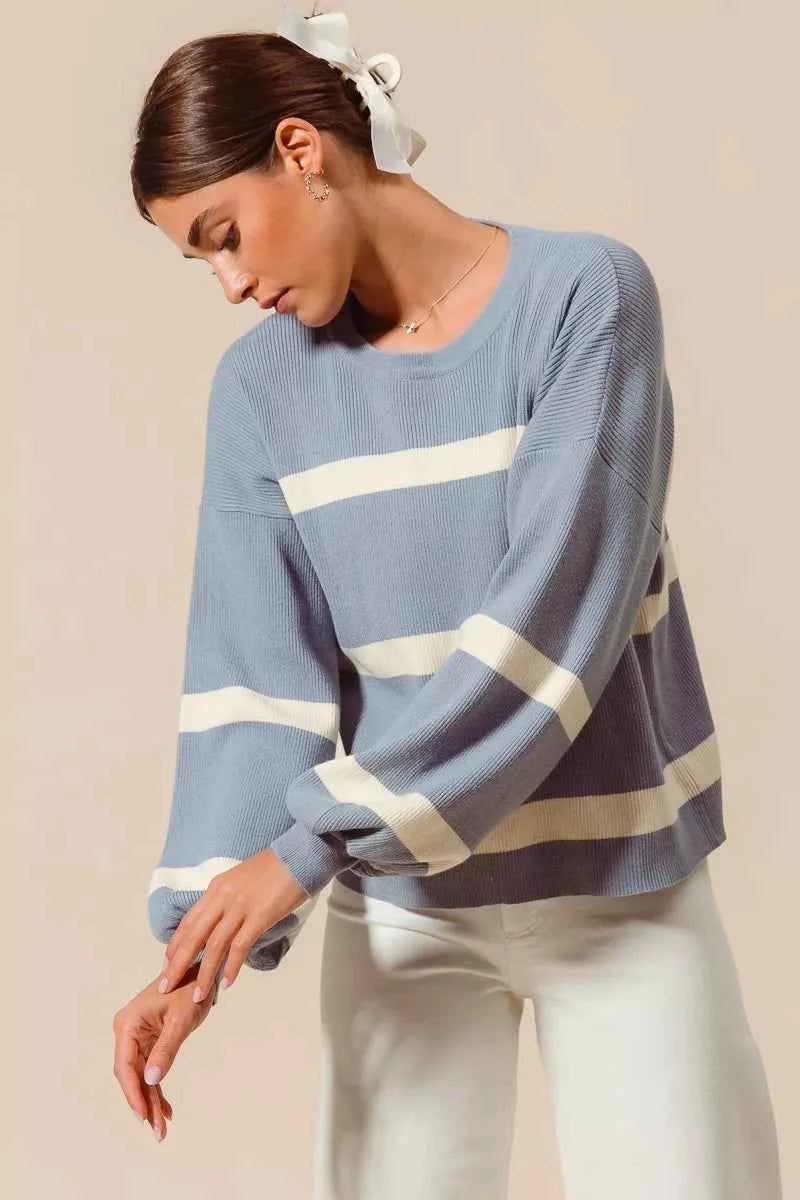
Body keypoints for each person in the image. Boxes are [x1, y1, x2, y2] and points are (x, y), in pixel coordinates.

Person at [112, 4, 783, 1196]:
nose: (228, 283)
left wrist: (306, 846)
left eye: (224, 234)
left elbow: (556, 617)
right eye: (199, 260)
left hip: (619, 893)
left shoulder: (583, 298)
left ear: (300, 151)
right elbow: (253, 677)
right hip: (403, 917)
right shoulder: (259, 392)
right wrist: (197, 949)